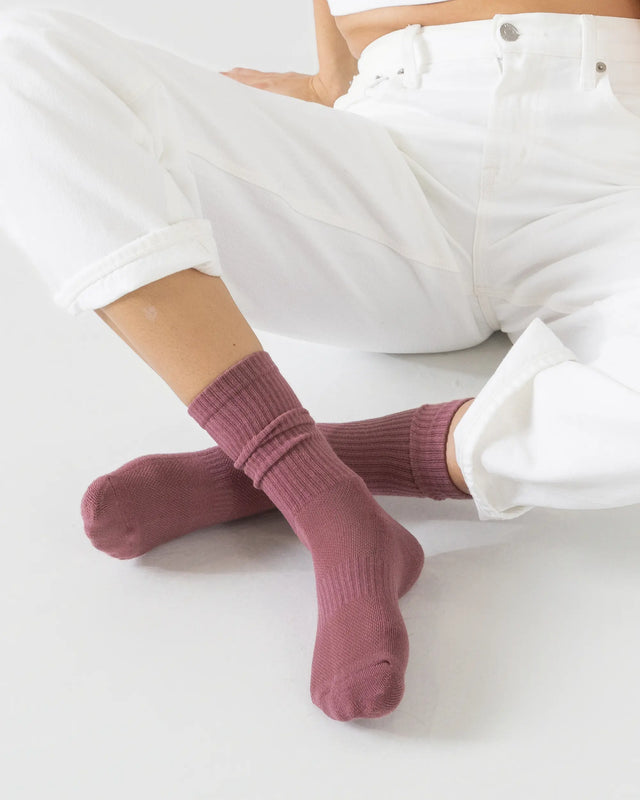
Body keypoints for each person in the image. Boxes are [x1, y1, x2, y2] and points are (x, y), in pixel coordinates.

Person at [1, 0, 639, 722]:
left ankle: (288, 464)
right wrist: (320, 97)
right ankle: (322, 498)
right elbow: (342, 39)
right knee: (15, 54)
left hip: (610, 180)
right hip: (391, 166)